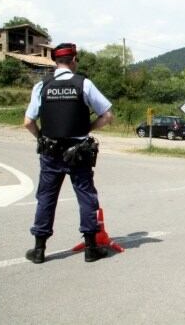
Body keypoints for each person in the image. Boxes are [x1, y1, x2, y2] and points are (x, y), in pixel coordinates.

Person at [23, 43, 114, 263]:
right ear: (73, 60)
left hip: (50, 153)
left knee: (46, 198)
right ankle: (91, 248)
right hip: (79, 152)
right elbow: (108, 115)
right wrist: (87, 129)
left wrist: (42, 139)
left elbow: (28, 122)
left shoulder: (42, 86)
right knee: (85, 196)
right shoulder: (84, 83)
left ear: (56, 61)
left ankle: (39, 250)